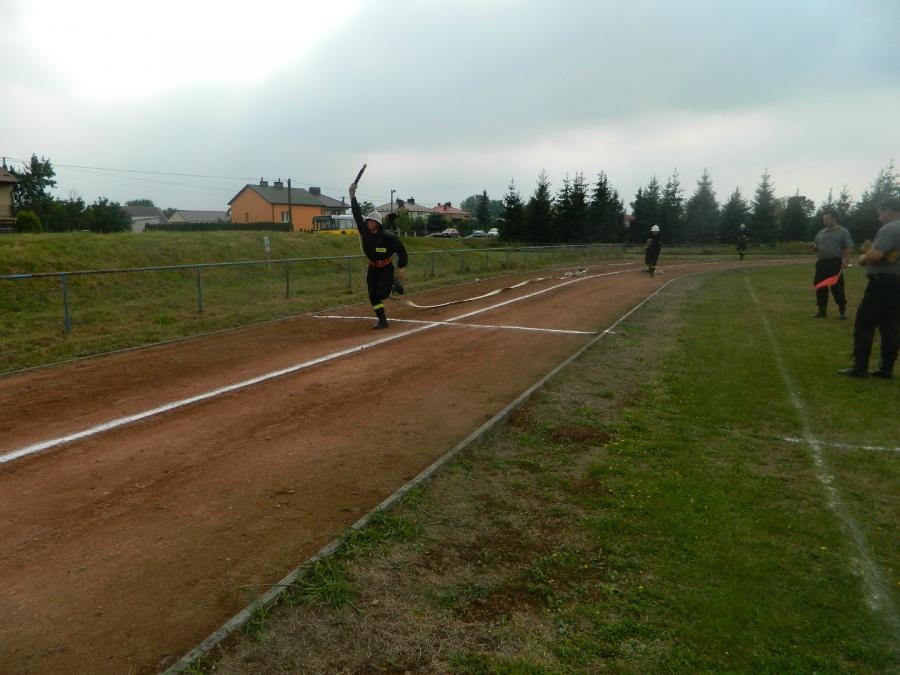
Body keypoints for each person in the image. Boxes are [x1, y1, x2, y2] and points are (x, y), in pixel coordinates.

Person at [837, 197, 900, 378]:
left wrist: (863, 258)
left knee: (865, 323)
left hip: (884, 283)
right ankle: (886, 369)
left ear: (888, 211)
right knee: (891, 326)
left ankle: (860, 367)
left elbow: (876, 255)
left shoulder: (891, 228)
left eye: (880, 214)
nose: (879, 218)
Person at [348, 181, 408, 329]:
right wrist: (352, 195)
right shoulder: (365, 232)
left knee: (382, 294)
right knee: (372, 295)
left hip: (386, 268)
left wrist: (401, 266)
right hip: (373, 269)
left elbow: (401, 251)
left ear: (378, 223)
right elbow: (357, 214)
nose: (369, 223)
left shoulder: (388, 237)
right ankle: (382, 320)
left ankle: (393, 283)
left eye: (373, 221)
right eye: (368, 221)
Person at [810, 208, 852, 319]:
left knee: (837, 288)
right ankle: (821, 311)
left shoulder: (843, 232)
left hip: (835, 263)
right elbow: (817, 246)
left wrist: (846, 260)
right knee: (820, 287)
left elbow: (847, 247)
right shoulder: (821, 233)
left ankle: (842, 312)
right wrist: (814, 248)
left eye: (827, 219)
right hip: (821, 263)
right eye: (824, 219)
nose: (824, 221)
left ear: (834, 219)